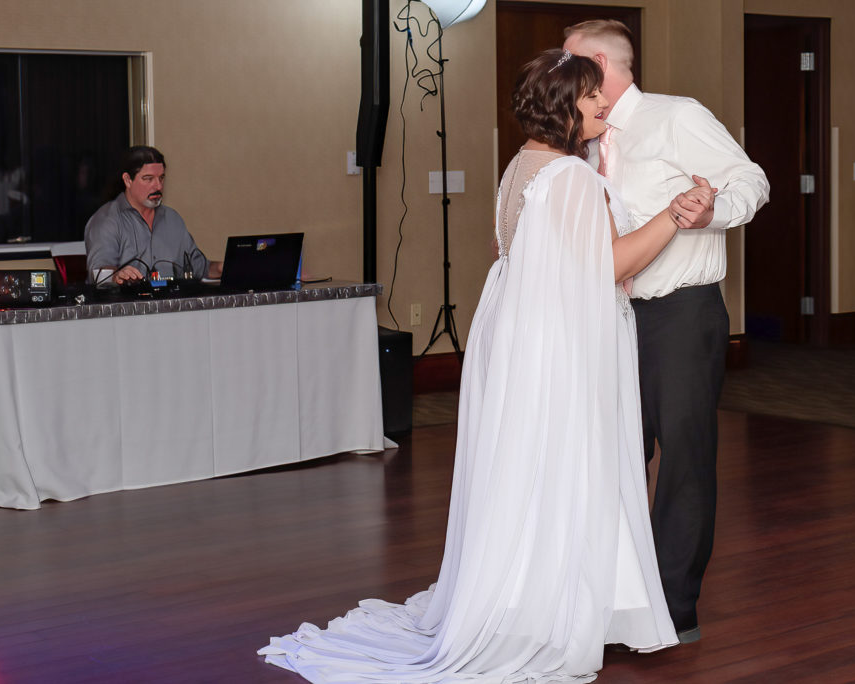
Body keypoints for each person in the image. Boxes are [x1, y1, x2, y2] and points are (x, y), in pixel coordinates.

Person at [257, 49, 715, 682]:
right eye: (590, 95)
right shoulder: (573, 177)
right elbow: (607, 267)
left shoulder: (522, 166)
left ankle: (527, 597)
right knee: (569, 465)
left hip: (522, 336)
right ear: (563, 105)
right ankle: (561, 608)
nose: (603, 103)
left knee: (528, 465)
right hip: (560, 344)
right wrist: (674, 212)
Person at [564, 20, 771, 643]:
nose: (558, 72)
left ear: (600, 62)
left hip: (681, 314)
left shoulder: (677, 116)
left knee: (682, 459)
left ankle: (674, 608)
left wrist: (712, 212)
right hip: (611, 317)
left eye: (567, 61)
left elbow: (751, 179)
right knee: (613, 454)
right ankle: (614, 599)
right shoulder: (582, 135)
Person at [84, 145, 221, 285]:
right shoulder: (107, 220)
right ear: (127, 180)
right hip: (126, 304)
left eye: (161, 178)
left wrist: (222, 268)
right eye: (148, 179)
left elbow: (198, 268)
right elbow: (99, 274)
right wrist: (116, 276)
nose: (158, 186)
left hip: (171, 303)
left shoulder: (172, 219)